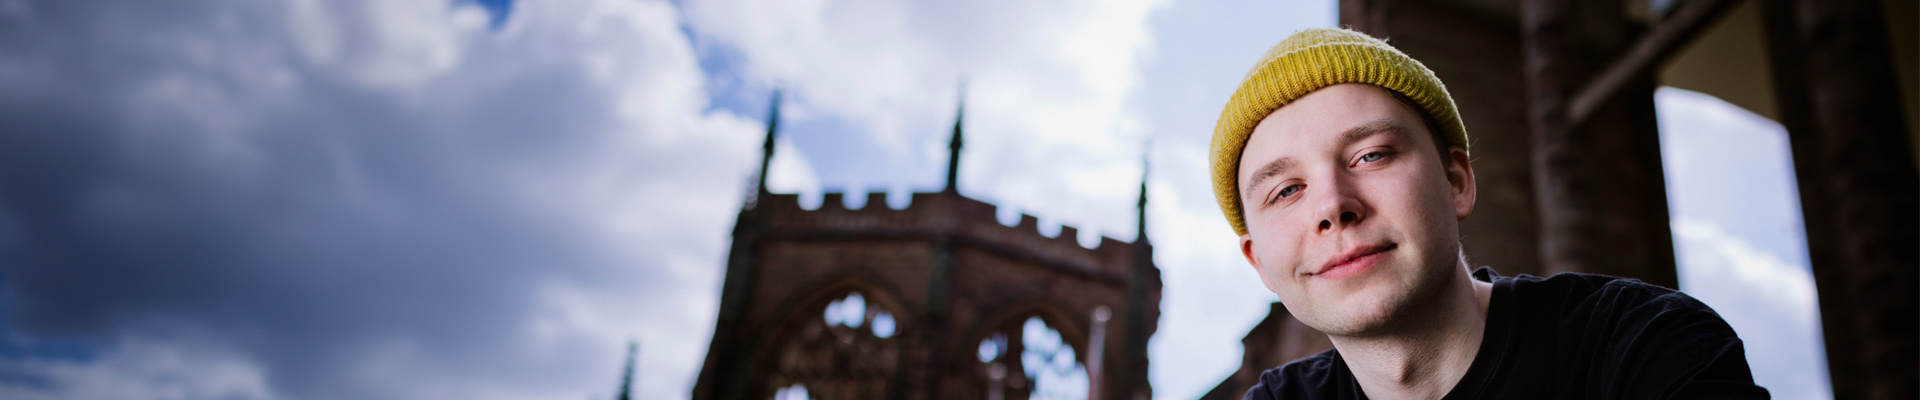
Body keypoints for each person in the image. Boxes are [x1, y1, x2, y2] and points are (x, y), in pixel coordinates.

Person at [1211, 28, 1769, 399]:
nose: (1333, 205)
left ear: (1456, 181)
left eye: (1371, 155)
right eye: (1285, 191)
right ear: (1259, 262)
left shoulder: (1641, 346)